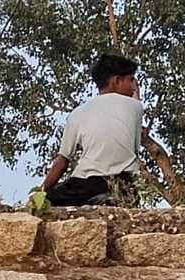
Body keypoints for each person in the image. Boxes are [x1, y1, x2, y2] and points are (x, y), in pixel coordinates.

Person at [40, 53, 176, 207]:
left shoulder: (78, 113)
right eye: (131, 80)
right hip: (122, 185)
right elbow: (135, 102)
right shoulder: (136, 107)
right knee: (128, 196)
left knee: (51, 199)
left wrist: (40, 193)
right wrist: (135, 94)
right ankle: (108, 199)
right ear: (116, 81)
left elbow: (62, 162)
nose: (133, 86)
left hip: (84, 185)